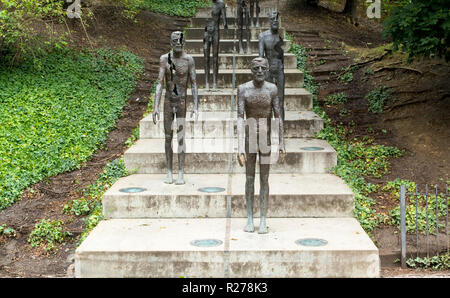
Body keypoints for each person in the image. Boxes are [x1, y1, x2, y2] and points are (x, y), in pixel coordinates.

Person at [237, 57, 285, 234]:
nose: (259, 71)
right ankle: (250, 218)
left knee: (264, 179)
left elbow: (278, 116)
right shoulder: (243, 89)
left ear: (267, 70)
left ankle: (263, 219)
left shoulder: (272, 89)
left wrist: (281, 142)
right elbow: (240, 117)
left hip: (265, 136)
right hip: (250, 136)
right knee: (249, 178)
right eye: (256, 68)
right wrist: (239, 145)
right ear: (251, 70)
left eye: (262, 68)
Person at [152, 31, 199, 185]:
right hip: (168, 101)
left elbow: (193, 83)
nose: (178, 43)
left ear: (184, 42)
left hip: (181, 102)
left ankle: (180, 172)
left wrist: (196, 106)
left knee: (180, 137)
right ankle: (169, 171)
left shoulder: (189, 60)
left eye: (180, 40)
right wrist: (155, 106)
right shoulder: (164, 59)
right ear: (171, 42)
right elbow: (160, 83)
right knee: (167, 137)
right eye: (175, 40)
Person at [258, 11, 285, 121]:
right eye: (273, 18)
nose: (275, 21)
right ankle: (268, 129)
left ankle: (280, 129)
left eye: (276, 19)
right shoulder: (263, 36)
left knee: (281, 100)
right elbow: (260, 58)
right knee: (268, 101)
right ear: (269, 20)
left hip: (279, 70)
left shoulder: (280, 37)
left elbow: (281, 57)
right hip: (268, 70)